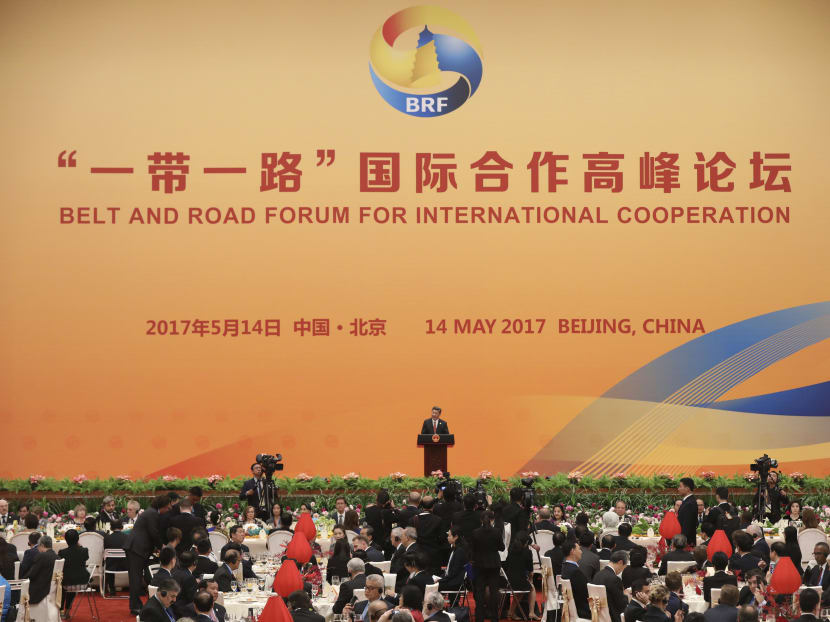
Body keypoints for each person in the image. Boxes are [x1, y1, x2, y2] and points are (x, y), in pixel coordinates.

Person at [126, 494, 172, 615]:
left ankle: (138, 604)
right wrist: (161, 546)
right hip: (136, 548)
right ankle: (134, 607)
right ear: (161, 506)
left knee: (140, 576)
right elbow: (153, 533)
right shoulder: (152, 513)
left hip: (139, 548)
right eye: (167, 507)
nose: (168, 510)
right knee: (135, 578)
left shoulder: (151, 512)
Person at [471, 510, 503, 622]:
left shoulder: (475, 532)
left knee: (479, 591)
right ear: (492, 519)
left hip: (479, 564)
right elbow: (502, 547)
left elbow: (473, 549)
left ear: (481, 520)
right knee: (494, 592)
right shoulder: (497, 532)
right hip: (494, 564)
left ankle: (479, 617)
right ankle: (494, 617)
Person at [505, 531, 538, 620]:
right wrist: (530, 580)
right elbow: (531, 571)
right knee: (532, 588)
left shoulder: (510, 550)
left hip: (508, 581)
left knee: (520, 592)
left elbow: (507, 565)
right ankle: (531, 612)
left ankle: (511, 612)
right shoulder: (527, 552)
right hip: (520, 581)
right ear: (527, 542)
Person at [59, 528, 91, 618]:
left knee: (64, 581)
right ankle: (67, 610)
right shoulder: (84, 551)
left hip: (67, 584)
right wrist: (79, 545)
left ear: (66, 540)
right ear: (78, 539)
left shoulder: (62, 552)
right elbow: (85, 557)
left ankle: (61, 610)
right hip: (83, 583)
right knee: (73, 577)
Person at [592, 550, 629, 622]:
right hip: (612, 617)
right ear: (620, 562)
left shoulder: (597, 574)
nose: (622, 571)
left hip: (597, 614)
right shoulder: (615, 579)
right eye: (624, 567)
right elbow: (621, 605)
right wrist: (626, 595)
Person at [22, 535, 58, 608]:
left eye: (38, 546)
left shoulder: (41, 556)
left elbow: (31, 574)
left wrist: (22, 579)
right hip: (52, 589)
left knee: (24, 584)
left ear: (42, 545)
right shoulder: (57, 556)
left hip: (40, 591)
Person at [412, 497, 444, 573]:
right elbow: (441, 538)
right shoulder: (438, 520)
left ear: (422, 506)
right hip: (434, 557)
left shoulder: (413, 519)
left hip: (418, 555)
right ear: (433, 506)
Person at [561, 538, 590, 620]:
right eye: (579, 549)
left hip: (573, 607)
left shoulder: (565, 566)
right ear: (572, 551)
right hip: (582, 609)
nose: (581, 551)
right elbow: (586, 593)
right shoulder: (575, 572)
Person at [438, 527, 468, 592]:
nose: (447, 537)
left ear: (456, 537)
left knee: (432, 586)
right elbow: (449, 569)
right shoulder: (454, 549)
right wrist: (440, 578)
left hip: (455, 583)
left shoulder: (460, 551)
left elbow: (454, 572)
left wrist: (441, 580)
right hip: (451, 580)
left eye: (449, 535)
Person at [172, 550, 199, 618]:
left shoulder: (174, 573)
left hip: (172, 609)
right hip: (184, 612)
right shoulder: (190, 578)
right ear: (194, 563)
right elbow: (193, 599)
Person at [676, 478, 698, 547]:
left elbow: (687, 525)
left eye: (680, 486)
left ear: (687, 488)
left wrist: (680, 543)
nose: (678, 489)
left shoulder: (689, 503)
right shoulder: (687, 501)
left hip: (686, 543)